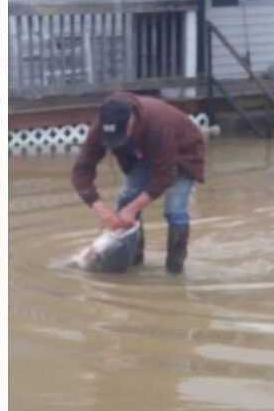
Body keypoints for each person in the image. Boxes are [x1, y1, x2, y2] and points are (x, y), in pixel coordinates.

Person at [72, 91, 205, 274]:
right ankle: (134, 260)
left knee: (174, 210)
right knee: (126, 200)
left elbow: (165, 175)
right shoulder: (101, 127)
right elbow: (82, 170)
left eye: (120, 135)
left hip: (183, 154)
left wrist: (132, 209)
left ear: (132, 120)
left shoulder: (159, 124)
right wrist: (100, 208)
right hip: (141, 155)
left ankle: (175, 269)